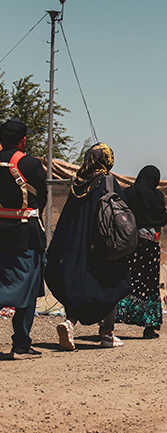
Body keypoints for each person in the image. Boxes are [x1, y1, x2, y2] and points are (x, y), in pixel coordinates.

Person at [46, 143, 133, 350]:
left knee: (80, 286)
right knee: (114, 282)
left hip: (77, 247)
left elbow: (67, 218)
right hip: (102, 245)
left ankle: (70, 323)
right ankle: (107, 334)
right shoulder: (107, 182)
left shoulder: (78, 185)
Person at [0, 119, 47, 359]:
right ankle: (21, 340)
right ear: (23, 140)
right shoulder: (30, 164)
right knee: (25, 286)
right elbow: (43, 197)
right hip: (25, 233)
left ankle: (22, 341)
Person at [115, 165, 167, 339]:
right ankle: (149, 326)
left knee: (127, 278)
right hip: (151, 247)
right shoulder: (158, 196)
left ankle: (113, 320)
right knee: (150, 284)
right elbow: (164, 219)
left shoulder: (130, 193)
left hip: (132, 245)